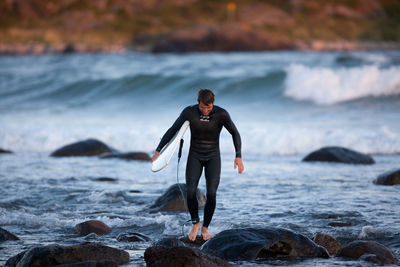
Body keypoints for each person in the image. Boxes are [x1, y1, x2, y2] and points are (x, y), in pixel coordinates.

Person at [152, 89, 244, 241]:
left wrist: (238, 156)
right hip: (195, 156)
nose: (205, 110)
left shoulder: (222, 114)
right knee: (190, 191)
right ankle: (195, 224)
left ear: (212, 103)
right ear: (198, 103)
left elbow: (235, 133)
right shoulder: (189, 112)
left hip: (213, 157)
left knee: (212, 194)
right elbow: (173, 130)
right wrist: (158, 151)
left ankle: (205, 228)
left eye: (208, 107)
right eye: (202, 107)